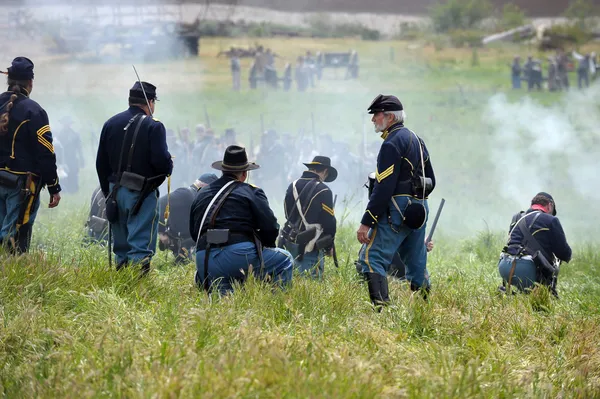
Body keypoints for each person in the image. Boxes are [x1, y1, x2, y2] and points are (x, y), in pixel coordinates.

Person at [356, 94, 436, 308]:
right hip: (420, 207)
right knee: (417, 264)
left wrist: (367, 221)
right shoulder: (417, 140)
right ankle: (424, 310)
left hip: (397, 209)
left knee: (372, 258)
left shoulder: (391, 142)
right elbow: (432, 180)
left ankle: (382, 313)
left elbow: (384, 186)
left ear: (390, 117)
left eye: (376, 115)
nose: (373, 119)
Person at [189, 145, 293, 295]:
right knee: (285, 259)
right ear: (244, 174)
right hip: (239, 255)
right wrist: (264, 247)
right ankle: (276, 306)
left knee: (224, 302)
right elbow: (270, 227)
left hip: (203, 257)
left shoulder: (202, 193)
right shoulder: (251, 191)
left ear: (223, 170)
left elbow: (194, 232)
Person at [96, 81, 173, 275]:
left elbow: (100, 163)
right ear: (151, 102)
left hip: (114, 190)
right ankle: (138, 289)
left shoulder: (110, 123)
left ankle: (122, 283)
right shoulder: (154, 126)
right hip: (141, 192)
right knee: (140, 245)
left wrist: (108, 192)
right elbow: (163, 165)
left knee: (121, 246)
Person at [0, 56, 61, 253]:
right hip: (23, 184)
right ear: (30, 82)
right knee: (17, 234)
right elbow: (45, 153)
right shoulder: (35, 111)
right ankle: (11, 273)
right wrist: (53, 186)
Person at [498, 192, 571, 297]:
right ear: (550, 205)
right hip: (527, 269)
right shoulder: (551, 220)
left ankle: (512, 293)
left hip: (504, 267)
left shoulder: (517, 217)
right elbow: (563, 253)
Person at [279, 156, 337, 278]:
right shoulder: (324, 190)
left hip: (291, 238)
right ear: (325, 171)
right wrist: (329, 244)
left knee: (291, 279)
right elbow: (328, 222)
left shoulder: (292, 185)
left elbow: (287, 213)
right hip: (312, 243)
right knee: (311, 282)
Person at [157, 173, 217, 264]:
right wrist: (162, 232)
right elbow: (160, 204)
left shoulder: (198, 197)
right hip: (180, 241)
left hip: (187, 243)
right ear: (204, 186)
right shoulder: (185, 194)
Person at [54, 116, 84, 193]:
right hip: (62, 159)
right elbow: (56, 147)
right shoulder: (59, 135)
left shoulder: (75, 135)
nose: (66, 125)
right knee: (63, 176)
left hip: (72, 159)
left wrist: (82, 159)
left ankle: (73, 191)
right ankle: (64, 191)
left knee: (73, 175)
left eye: (68, 123)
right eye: (65, 123)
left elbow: (79, 148)